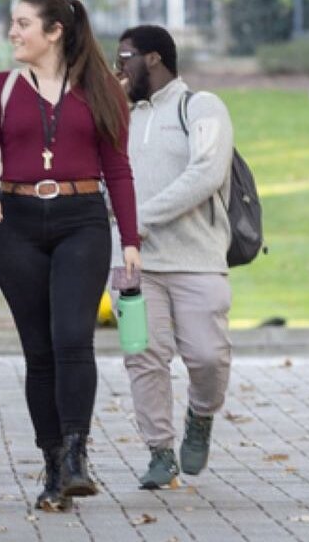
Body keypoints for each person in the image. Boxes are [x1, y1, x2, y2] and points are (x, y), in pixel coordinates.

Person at [0, 0, 138, 512]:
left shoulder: (100, 89)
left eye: (23, 24)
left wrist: (129, 240)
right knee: (39, 352)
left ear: (55, 30)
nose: (13, 32)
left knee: (72, 339)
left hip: (82, 221)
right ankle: (53, 466)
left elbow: (119, 170)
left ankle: (78, 454)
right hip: (16, 224)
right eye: (13, 24)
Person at [114, 25, 236, 491]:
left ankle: (201, 415)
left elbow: (206, 172)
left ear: (153, 59)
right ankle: (160, 451)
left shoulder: (201, 107)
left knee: (207, 356)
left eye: (124, 56)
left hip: (197, 259)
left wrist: (139, 217)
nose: (117, 66)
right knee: (143, 357)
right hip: (131, 264)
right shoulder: (118, 117)